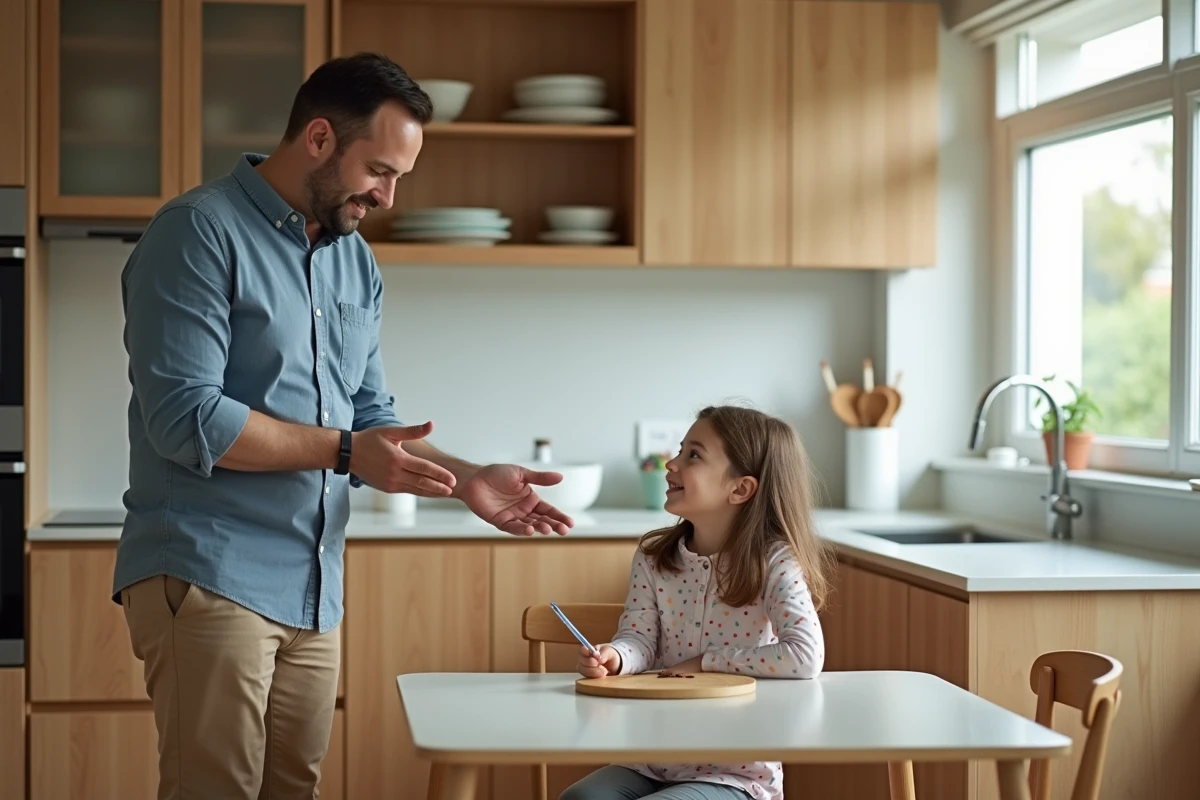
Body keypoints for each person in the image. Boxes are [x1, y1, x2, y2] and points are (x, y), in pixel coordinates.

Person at [112, 52, 574, 800]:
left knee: (295, 788)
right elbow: (186, 418)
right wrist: (348, 451)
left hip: (313, 583)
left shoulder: (353, 261)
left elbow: (369, 421)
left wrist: (465, 482)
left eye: (400, 179)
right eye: (380, 170)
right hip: (209, 570)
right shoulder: (197, 232)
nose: (388, 196)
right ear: (320, 139)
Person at [564, 405, 830, 800]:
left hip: (735, 774)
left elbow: (805, 654)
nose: (671, 464)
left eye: (694, 455)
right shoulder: (655, 557)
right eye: (680, 450)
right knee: (581, 799)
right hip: (652, 759)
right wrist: (616, 657)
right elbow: (640, 639)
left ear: (740, 489)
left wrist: (706, 662)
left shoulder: (775, 562)